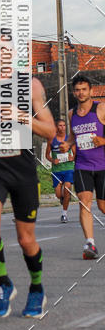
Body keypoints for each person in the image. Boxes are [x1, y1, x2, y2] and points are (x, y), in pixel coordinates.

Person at [0, 29, 56, 319]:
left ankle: (36, 288)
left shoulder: (29, 85)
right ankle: (4, 284)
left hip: (22, 171)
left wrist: (21, 117)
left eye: (1, 48)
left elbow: (50, 130)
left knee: (25, 239)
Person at [67, 75, 105, 259]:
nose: (80, 93)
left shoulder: (101, 108)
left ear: (90, 91)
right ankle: (90, 243)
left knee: (103, 206)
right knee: (84, 204)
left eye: (84, 89)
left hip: (103, 165)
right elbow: (72, 137)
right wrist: (67, 144)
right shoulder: (71, 113)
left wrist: (102, 140)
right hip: (82, 165)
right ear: (74, 92)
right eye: (77, 90)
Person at [45, 119, 75, 223]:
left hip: (68, 169)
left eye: (63, 125)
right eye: (60, 125)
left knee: (67, 189)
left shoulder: (69, 139)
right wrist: (53, 160)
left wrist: (72, 157)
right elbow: (47, 155)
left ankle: (64, 214)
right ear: (56, 127)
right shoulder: (52, 140)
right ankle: (64, 198)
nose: (62, 127)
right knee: (58, 195)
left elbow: (75, 154)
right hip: (57, 170)